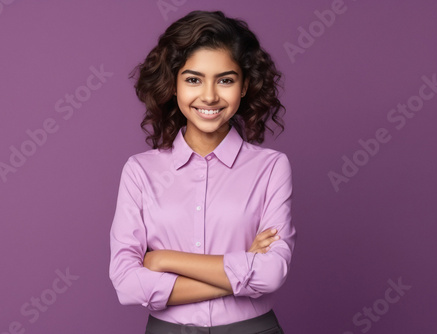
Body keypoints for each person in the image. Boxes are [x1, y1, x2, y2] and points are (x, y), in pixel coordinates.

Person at [109, 10, 297, 334]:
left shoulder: (271, 167)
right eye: (193, 79)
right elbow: (126, 283)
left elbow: (271, 274)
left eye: (225, 80)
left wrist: (164, 259)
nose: (209, 96)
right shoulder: (140, 171)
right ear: (173, 84)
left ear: (244, 85)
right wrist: (240, 271)